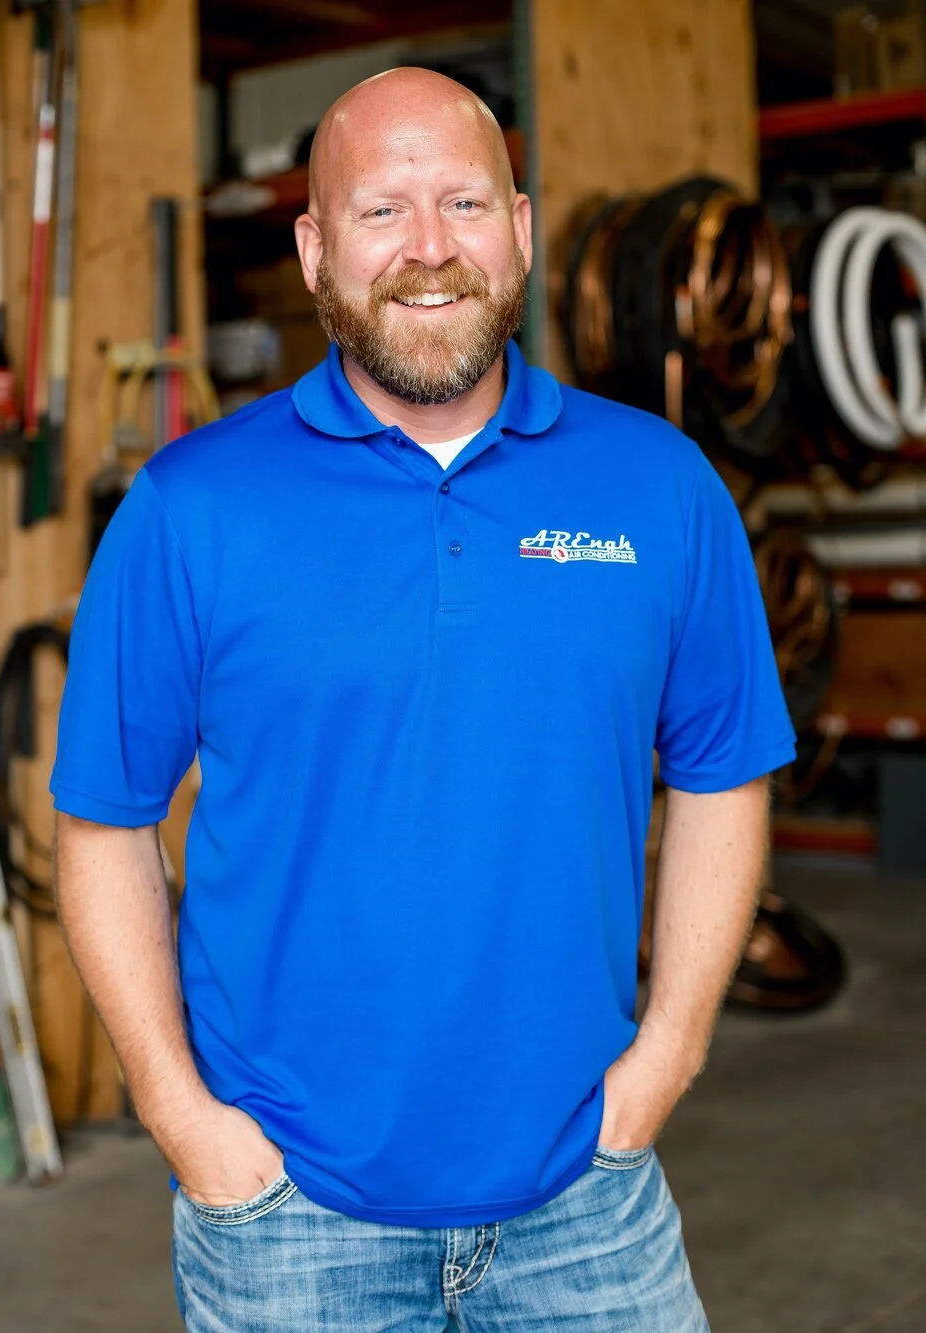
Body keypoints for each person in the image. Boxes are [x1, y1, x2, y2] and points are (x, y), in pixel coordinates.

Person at [52, 67, 796, 1331]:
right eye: (381, 211)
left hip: (587, 1206)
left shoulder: (659, 489)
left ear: (517, 221)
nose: (430, 248)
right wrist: (184, 1119)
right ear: (313, 250)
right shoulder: (192, 509)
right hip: (289, 1220)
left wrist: (666, 1057)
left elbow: (723, 772)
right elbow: (104, 821)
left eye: (462, 200)